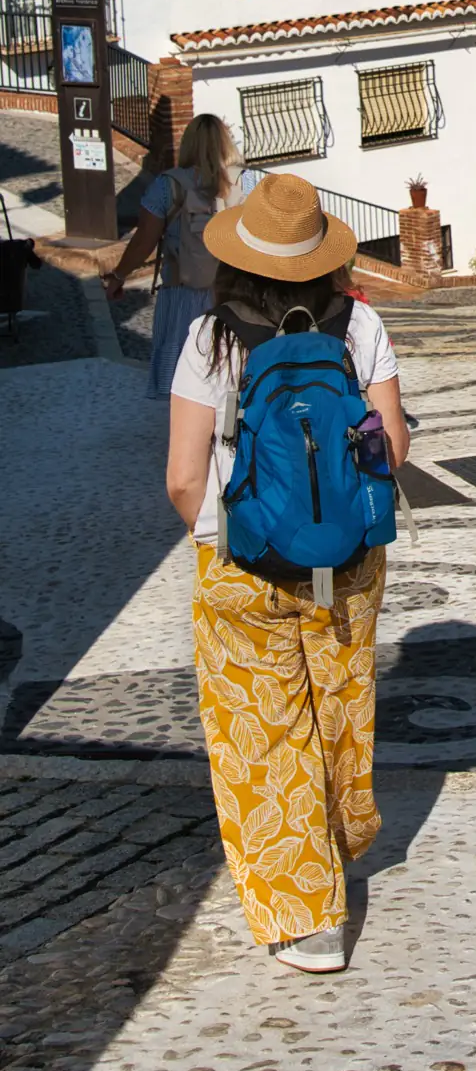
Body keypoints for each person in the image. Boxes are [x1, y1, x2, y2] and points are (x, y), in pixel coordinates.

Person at [165, 170, 409, 975]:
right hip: (348, 560)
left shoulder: (210, 340)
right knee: (339, 713)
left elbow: (181, 475)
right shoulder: (359, 327)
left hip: (242, 563)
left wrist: (227, 533)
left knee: (263, 733)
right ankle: (340, 846)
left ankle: (307, 918)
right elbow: (394, 451)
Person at [105, 113, 238, 398]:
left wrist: (118, 276)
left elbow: (144, 240)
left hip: (183, 294)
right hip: (232, 294)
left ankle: (190, 435)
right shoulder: (243, 184)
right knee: (230, 375)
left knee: (186, 380)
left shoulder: (167, 185)